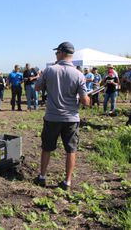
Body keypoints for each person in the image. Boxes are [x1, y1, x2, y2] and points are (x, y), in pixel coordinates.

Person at [34, 42, 89, 190]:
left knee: (47, 148)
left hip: (52, 117)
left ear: (60, 52)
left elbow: (37, 87)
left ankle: (42, 177)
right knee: (71, 150)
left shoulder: (49, 70)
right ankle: (67, 182)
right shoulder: (79, 74)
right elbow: (85, 101)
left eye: (56, 53)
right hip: (71, 118)